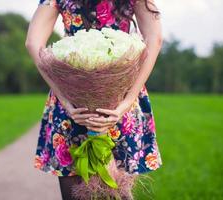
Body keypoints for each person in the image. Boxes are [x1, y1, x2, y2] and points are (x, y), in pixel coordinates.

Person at [25, 0, 163, 199]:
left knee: (73, 192)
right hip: (120, 99)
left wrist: (63, 97)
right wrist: (128, 100)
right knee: (120, 191)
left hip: (72, 101)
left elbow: (33, 43)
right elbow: (155, 39)